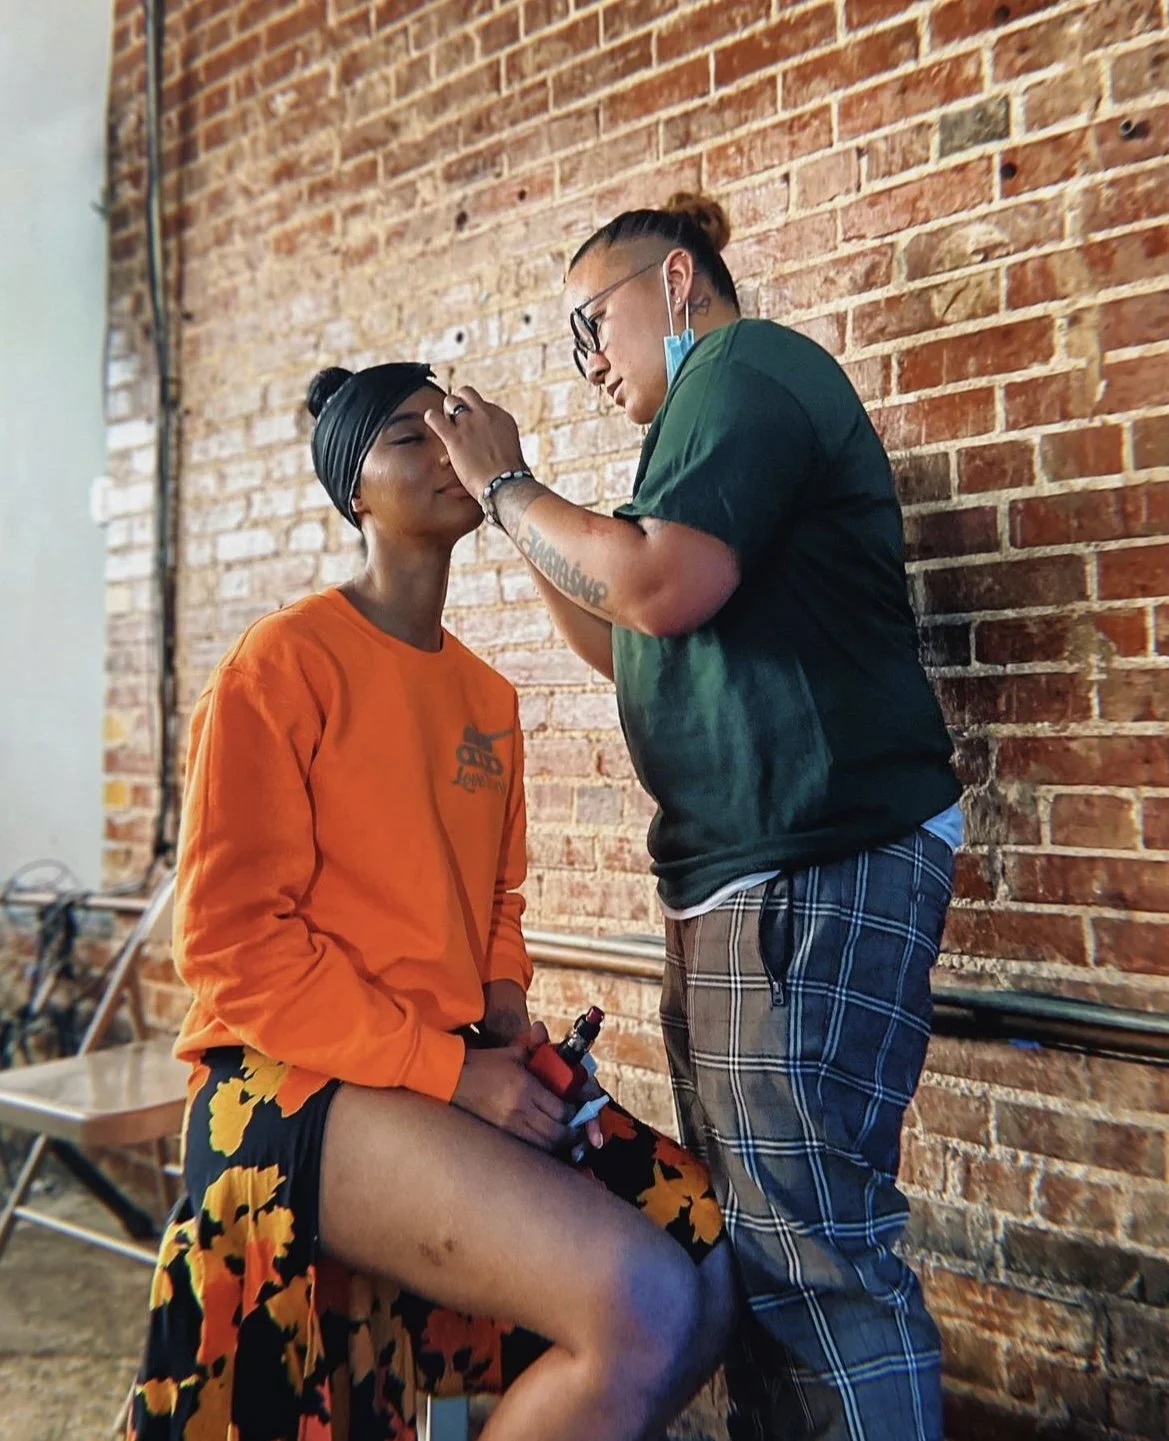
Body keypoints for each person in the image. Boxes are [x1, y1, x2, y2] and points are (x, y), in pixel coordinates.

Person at [424, 193, 964, 1441]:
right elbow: (625, 632)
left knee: (816, 1263)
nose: (589, 362)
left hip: (810, 864)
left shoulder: (744, 367)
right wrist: (522, 512)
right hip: (751, 878)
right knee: (770, 1260)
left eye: (590, 325)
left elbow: (658, 585)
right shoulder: (692, 435)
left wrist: (507, 483)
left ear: (675, 284)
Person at [127, 360, 737, 1441]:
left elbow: (494, 898)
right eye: (406, 438)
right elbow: (227, 946)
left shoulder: (484, 696)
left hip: (447, 1063)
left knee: (705, 1253)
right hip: (289, 1082)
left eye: (449, 427)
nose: (444, 450)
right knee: (634, 1298)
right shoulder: (283, 665)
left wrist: (503, 1010)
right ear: (351, 489)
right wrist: (454, 1072)